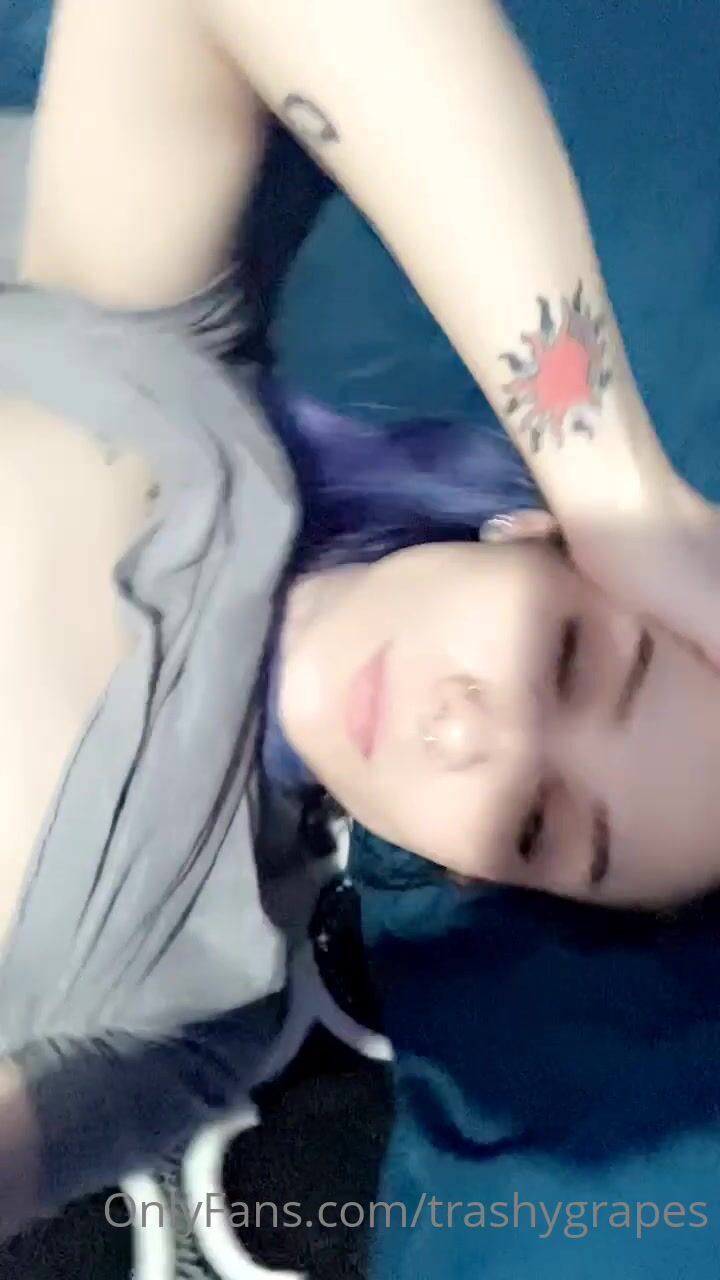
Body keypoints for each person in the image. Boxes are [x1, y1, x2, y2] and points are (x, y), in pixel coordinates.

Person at [0, 0, 717, 1244]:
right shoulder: (177, 392)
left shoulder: (183, 1009)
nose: (468, 733)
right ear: (530, 534)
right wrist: (623, 492)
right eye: (567, 657)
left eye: (535, 822)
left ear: (478, 875)